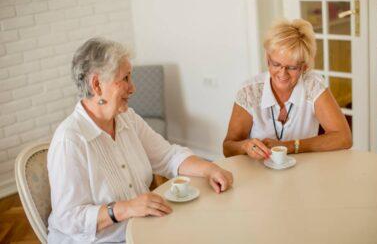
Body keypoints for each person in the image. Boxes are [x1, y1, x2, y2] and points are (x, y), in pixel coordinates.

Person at [47, 37, 233, 243]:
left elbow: (168, 156)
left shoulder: (128, 119)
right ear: (97, 84)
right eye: (125, 78)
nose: (133, 87)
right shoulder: (69, 140)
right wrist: (124, 209)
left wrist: (210, 169)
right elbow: (68, 218)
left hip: (141, 227)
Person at [223, 19, 352, 160]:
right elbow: (228, 148)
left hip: (304, 171)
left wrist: (289, 146)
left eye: (292, 67)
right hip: (258, 172)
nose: (282, 73)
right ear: (267, 58)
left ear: (304, 67)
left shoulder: (313, 86)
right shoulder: (249, 91)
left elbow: (344, 138)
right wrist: (245, 146)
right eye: (276, 64)